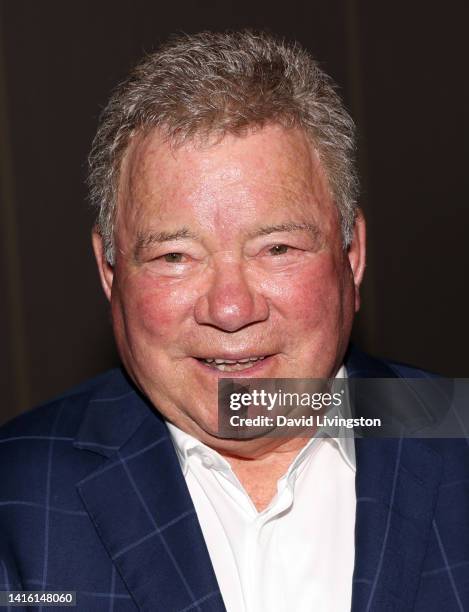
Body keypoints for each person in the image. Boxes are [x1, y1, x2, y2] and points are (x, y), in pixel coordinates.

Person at [0, 30, 468, 612]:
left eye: (276, 249)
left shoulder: (456, 438)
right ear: (109, 270)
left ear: (352, 254)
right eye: (175, 257)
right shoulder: (14, 497)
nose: (230, 309)